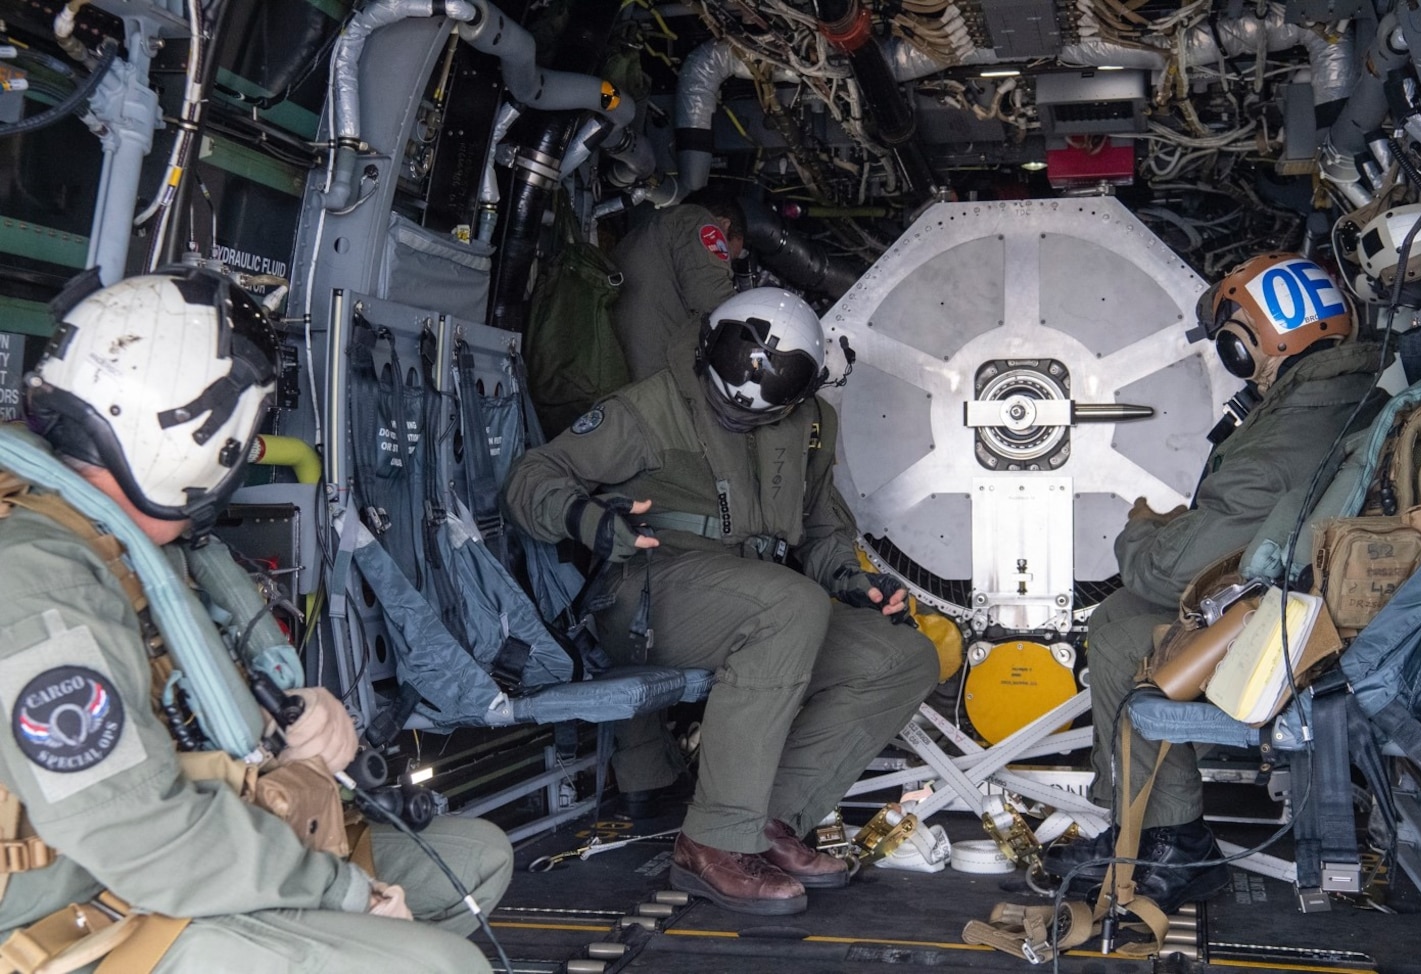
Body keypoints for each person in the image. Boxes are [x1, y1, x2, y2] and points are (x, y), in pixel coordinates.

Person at [0, 268, 511, 972]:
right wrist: (344, 893)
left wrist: (291, 719)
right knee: (443, 966)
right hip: (73, 910)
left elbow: (186, 708)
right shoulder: (34, 585)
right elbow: (139, 836)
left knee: (474, 862)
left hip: (163, 864)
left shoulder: (128, 548)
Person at [503, 287, 939, 915]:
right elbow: (530, 479)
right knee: (790, 607)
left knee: (901, 657)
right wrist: (586, 519)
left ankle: (763, 821)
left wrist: (850, 578)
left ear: (804, 388)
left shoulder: (814, 423)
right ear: (710, 347)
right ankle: (710, 843)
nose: (740, 408)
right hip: (652, 597)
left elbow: (821, 525)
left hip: (765, 600)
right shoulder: (648, 409)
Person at [1043, 253, 1390, 911]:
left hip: (1305, 640)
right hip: (1323, 613)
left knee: (1122, 635)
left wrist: (1139, 528)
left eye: (1233, 336)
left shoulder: (1287, 431)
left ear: (1262, 337)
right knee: (1120, 618)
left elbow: (1167, 569)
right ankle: (1145, 831)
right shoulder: (1341, 396)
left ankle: (1173, 843)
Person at [610, 187, 746, 382]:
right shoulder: (699, 220)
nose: (725, 264)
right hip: (649, 385)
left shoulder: (650, 230)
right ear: (724, 225)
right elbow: (714, 301)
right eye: (728, 258)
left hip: (624, 373)